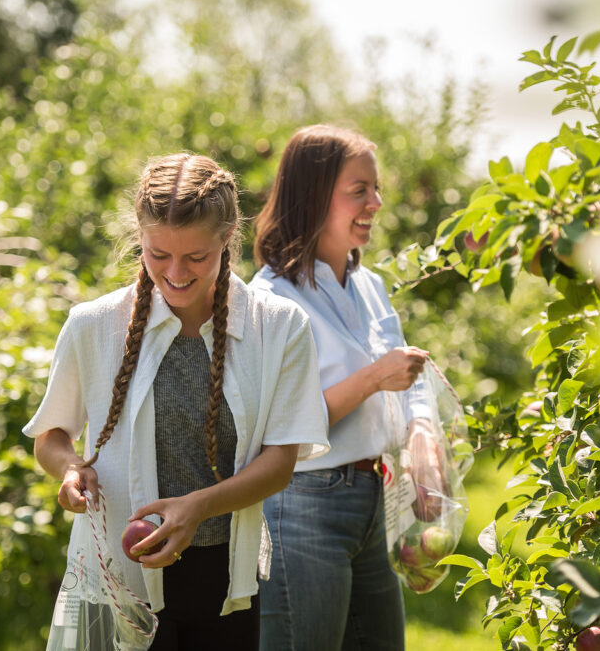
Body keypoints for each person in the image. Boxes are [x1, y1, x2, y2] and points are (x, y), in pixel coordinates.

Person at [25, 153, 330, 651]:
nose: (175, 273)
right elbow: (52, 437)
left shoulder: (277, 327)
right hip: (117, 577)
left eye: (196, 257)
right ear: (139, 239)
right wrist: (69, 470)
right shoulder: (93, 325)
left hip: (224, 581)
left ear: (228, 236)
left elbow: (280, 463)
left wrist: (198, 509)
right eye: (158, 254)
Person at [251, 125, 437, 651]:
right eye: (359, 190)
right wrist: (373, 379)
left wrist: (421, 431)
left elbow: (408, 375)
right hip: (304, 504)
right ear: (312, 195)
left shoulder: (368, 286)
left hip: (372, 499)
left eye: (376, 189)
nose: (376, 202)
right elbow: (277, 425)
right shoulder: (269, 300)